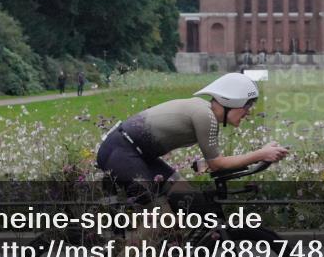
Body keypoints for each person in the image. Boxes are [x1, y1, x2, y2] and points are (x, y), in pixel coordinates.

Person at [96, 73, 288, 205]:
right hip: (122, 153)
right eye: (247, 106)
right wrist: (261, 153)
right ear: (232, 101)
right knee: (163, 219)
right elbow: (218, 165)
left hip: (138, 155)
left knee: (191, 201)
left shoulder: (207, 114)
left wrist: (262, 154)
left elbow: (211, 163)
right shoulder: (205, 116)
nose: (248, 112)